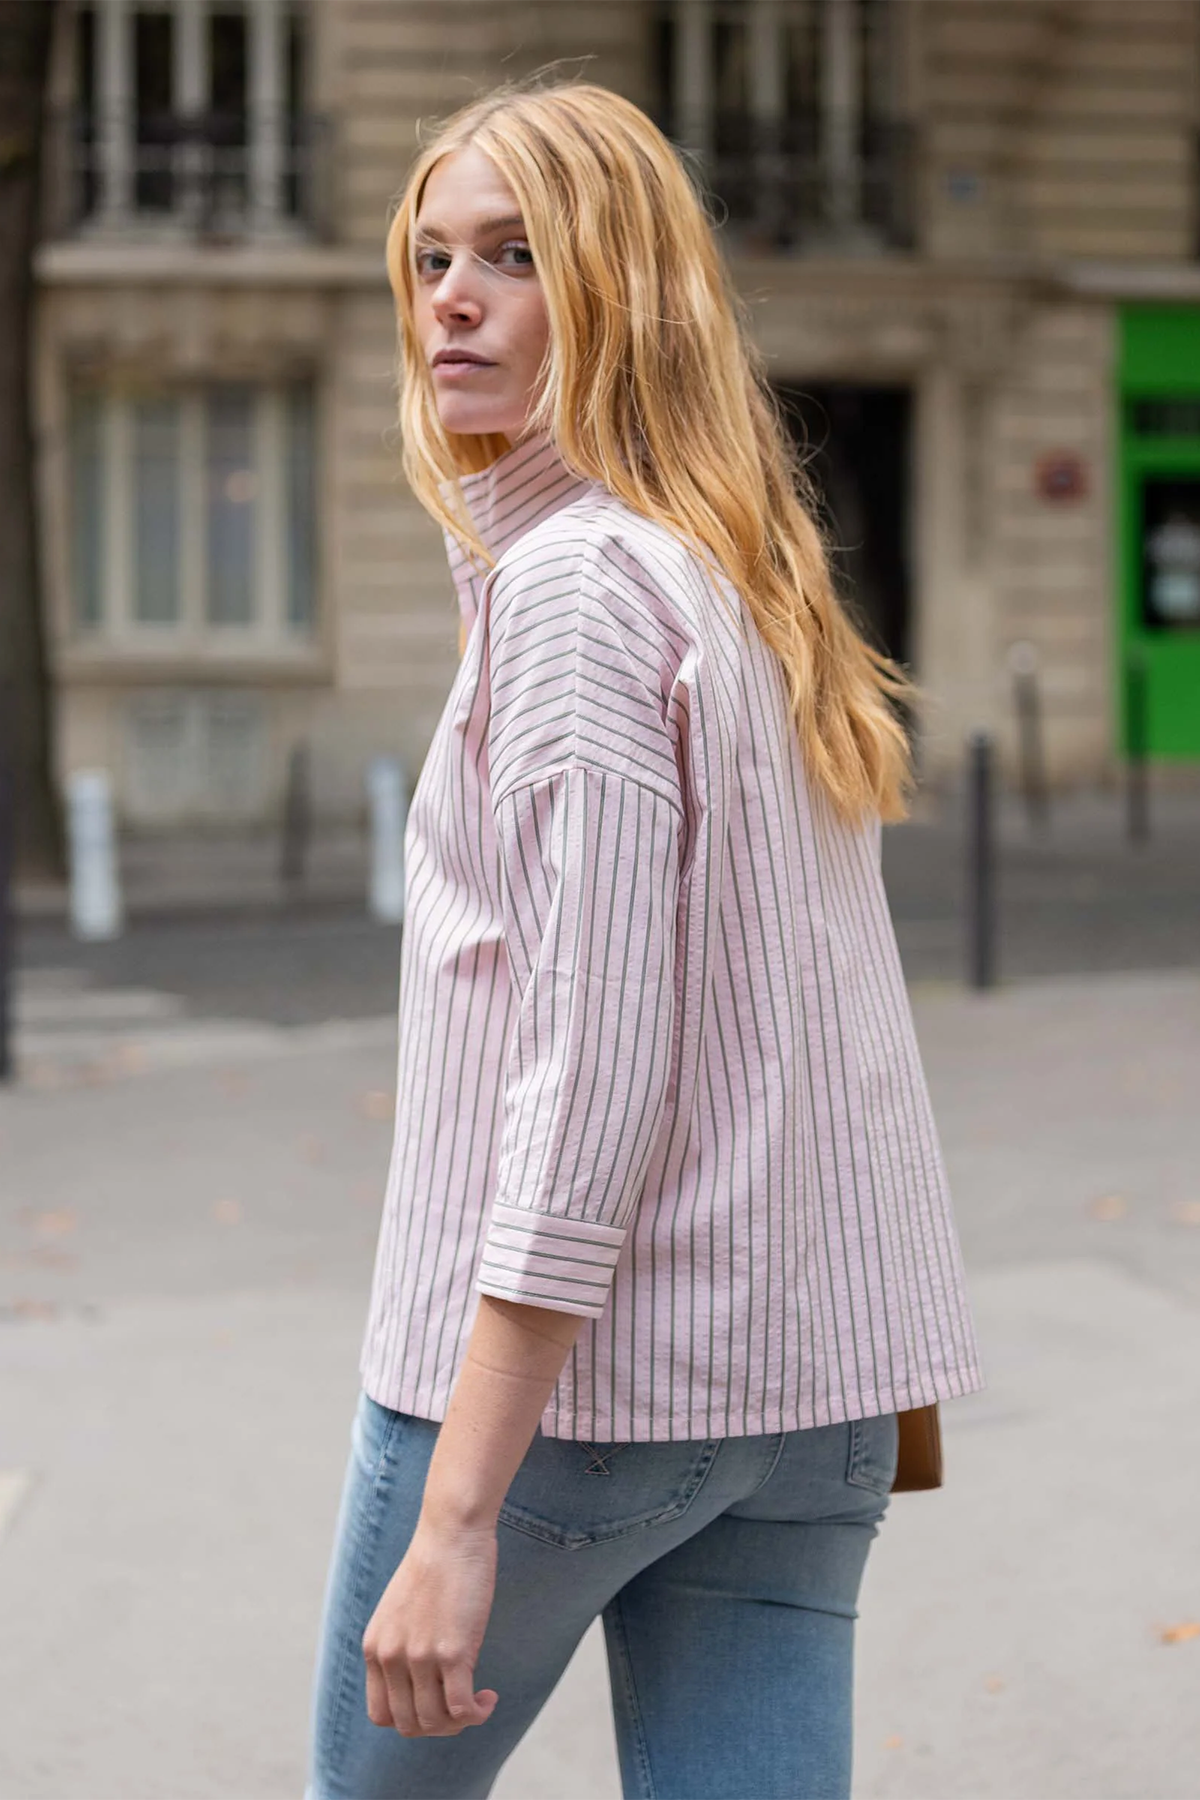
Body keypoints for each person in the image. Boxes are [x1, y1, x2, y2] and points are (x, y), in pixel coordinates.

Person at [307, 79, 983, 1800]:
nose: (449, 297)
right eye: (433, 253)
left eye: (516, 257)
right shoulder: (740, 581)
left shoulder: (579, 593)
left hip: (578, 1414)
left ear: (620, 292)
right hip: (804, 1398)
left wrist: (459, 1515)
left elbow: (590, 1066)